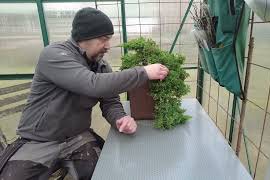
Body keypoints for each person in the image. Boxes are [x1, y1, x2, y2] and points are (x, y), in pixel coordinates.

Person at [0, 7, 169, 180]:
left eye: (109, 39)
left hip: (77, 137)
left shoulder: (101, 66)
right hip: (39, 141)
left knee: (106, 173)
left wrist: (120, 119)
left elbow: (110, 102)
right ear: (83, 37)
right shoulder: (54, 54)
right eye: (103, 40)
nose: (108, 46)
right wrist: (144, 72)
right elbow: (93, 84)